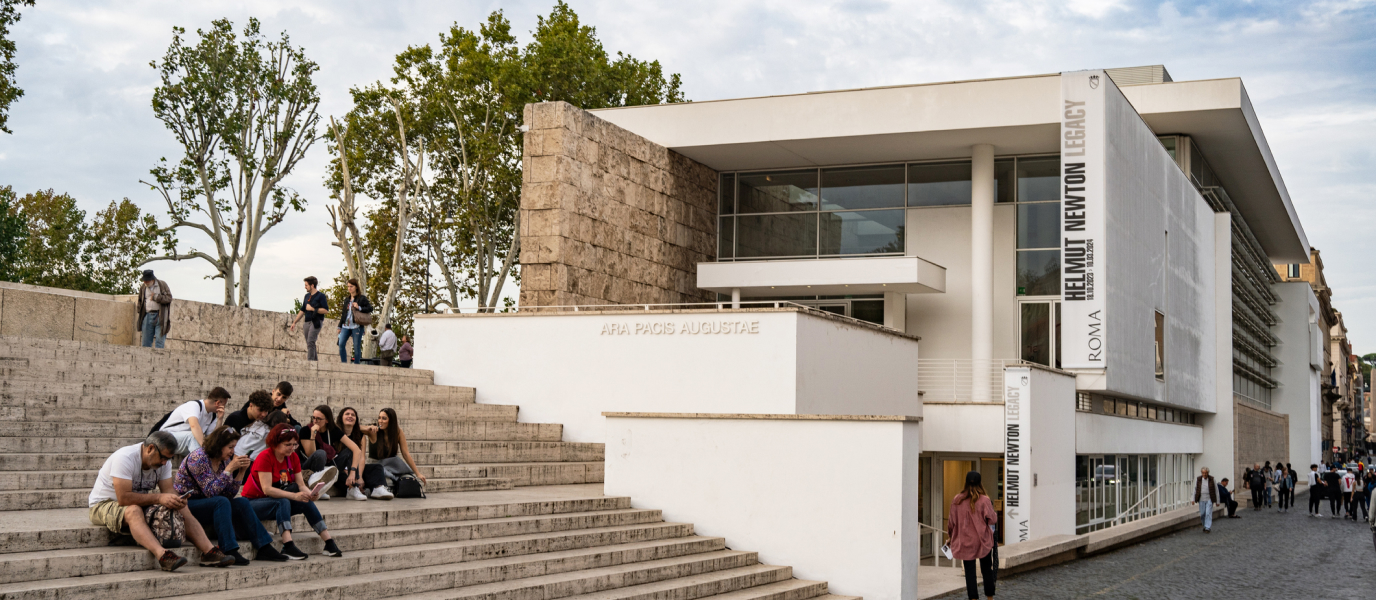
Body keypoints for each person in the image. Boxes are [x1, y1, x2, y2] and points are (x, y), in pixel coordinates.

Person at [88, 431, 234, 571]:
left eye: (168, 459)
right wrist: (159, 498)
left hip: (135, 502)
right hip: (103, 505)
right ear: (150, 448)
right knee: (133, 510)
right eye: (163, 458)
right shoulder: (125, 457)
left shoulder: (163, 461)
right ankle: (163, 556)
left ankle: (209, 552)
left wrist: (177, 499)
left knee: (181, 506)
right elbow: (124, 498)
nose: (165, 463)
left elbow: (168, 490)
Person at [174, 426, 288, 564]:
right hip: (188, 504)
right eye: (230, 447)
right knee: (220, 501)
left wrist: (241, 472)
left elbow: (229, 495)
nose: (232, 451)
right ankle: (228, 549)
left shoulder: (224, 459)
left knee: (242, 502)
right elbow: (211, 492)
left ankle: (264, 547)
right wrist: (228, 470)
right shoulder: (198, 458)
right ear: (218, 445)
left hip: (211, 502)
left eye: (234, 447)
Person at [242, 424, 342, 559]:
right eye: (288, 444)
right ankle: (287, 545)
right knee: (282, 501)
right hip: (252, 503)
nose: (292, 448)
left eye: (295, 444)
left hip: (276, 501)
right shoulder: (265, 457)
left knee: (304, 501)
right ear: (276, 443)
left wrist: (309, 494)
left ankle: (329, 542)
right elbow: (267, 489)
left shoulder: (292, 457)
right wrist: (294, 496)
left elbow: (300, 484)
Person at [946, 470, 997, 600]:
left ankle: (973, 599)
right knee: (987, 570)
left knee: (970, 573)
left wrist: (951, 536)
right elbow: (992, 519)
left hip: (965, 541)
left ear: (966, 483)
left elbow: (951, 522)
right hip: (982, 541)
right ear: (980, 484)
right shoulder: (984, 500)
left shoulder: (957, 500)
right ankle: (990, 598)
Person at [299, 405, 364, 500]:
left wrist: (352, 472)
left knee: (349, 451)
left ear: (327, 420)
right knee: (320, 453)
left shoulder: (333, 430)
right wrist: (313, 435)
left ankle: (352, 489)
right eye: (314, 418)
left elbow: (356, 449)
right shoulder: (305, 430)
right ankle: (319, 488)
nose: (315, 421)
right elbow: (310, 454)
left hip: (328, 464)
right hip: (309, 466)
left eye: (319, 419)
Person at [363, 407, 426, 499]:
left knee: (407, 478)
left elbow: (406, 454)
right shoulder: (374, 431)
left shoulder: (398, 432)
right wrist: (368, 428)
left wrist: (418, 473)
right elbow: (356, 428)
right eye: (379, 418)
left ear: (391, 420)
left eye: (384, 418)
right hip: (378, 465)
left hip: (393, 464)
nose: (380, 421)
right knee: (384, 478)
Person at [159, 387, 230, 456]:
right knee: (193, 436)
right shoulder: (194, 405)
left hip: (184, 442)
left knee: (212, 443)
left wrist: (220, 419)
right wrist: (206, 448)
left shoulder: (213, 416)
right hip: (165, 438)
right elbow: (194, 426)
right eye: (224, 405)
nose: (224, 407)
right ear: (217, 403)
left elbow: (212, 438)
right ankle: (203, 463)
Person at [225, 390, 274, 462]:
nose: (263, 414)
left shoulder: (265, 422)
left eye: (266, 411)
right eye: (260, 410)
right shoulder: (235, 419)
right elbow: (224, 443)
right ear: (251, 405)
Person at [288, 277, 330, 361]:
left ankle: (310, 363)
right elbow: (302, 310)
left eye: (306, 285)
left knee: (311, 341)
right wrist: (294, 322)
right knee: (310, 343)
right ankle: (315, 363)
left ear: (312, 285)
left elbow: (326, 310)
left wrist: (313, 309)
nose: (305, 287)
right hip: (307, 322)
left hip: (316, 321)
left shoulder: (321, 296)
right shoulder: (306, 296)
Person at [335, 407, 372, 501]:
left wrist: (359, 476)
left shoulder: (359, 435)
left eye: (353, 415)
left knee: (377, 467)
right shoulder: (335, 433)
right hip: (338, 468)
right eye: (347, 414)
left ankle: (379, 488)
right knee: (351, 450)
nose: (350, 416)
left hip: (354, 469)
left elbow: (361, 458)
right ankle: (354, 488)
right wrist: (349, 470)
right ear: (341, 418)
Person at [338, 278, 372, 364]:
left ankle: (357, 365)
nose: (349, 288)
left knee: (356, 346)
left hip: (356, 326)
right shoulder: (347, 299)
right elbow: (343, 314)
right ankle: (344, 363)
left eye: (351, 286)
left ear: (356, 287)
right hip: (346, 326)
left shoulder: (361, 298)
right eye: (348, 286)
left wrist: (359, 307)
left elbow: (370, 308)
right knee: (341, 344)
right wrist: (339, 326)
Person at [137, 269, 172, 348]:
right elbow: (140, 300)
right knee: (145, 343)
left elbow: (169, 298)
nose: (145, 282)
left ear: (152, 279)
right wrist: (139, 310)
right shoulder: (143, 287)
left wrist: (156, 297)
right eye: (144, 281)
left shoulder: (162, 285)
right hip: (147, 315)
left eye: (147, 281)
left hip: (160, 316)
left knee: (159, 342)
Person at [1193, 467, 1217, 532]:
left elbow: (1216, 490)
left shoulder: (1212, 479)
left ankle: (1207, 527)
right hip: (1201, 499)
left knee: (1208, 513)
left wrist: (1218, 501)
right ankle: (1204, 525)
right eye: (1203, 473)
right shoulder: (1198, 479)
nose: (1205, 474)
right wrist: (1193, 499)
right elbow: (1195, 489)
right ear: (1201, 473)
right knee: (1202, 513)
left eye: (1206, 473)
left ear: (1208, 473)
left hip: (1209, 498)